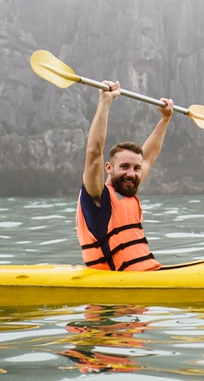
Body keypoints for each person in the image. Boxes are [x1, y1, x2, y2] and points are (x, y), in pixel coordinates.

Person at [75, 80, 173, 271]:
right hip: (120, 288)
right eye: (124, 166)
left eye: (136, 168)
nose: (131, 173)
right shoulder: (97, 196)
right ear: (109, 168)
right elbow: (94, 153)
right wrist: (105, 100)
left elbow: (148, 159)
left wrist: (165, 118)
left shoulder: (127, 187)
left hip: (148, 277)